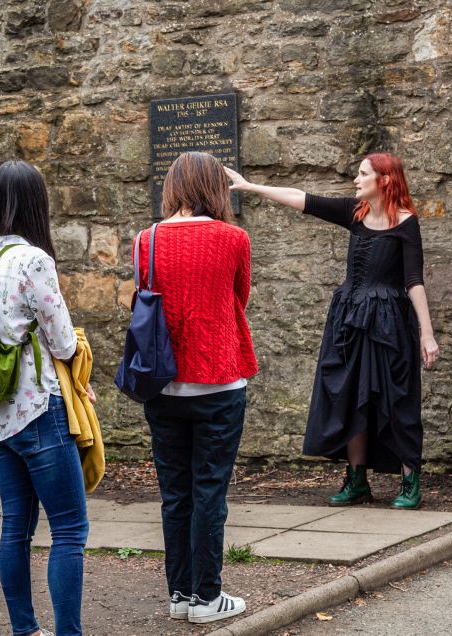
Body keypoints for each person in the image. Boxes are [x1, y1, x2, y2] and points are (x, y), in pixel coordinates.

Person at [225, 153, 439, 509]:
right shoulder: (354, 213)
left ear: (384, 179)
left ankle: (409, 480)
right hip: (349, 319)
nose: (356, 180)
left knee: (395, 398)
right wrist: (249, 186)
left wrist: (426, 334)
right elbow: (302, 199)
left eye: (362, 174)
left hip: (388, 324)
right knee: (348, 394)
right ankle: (357, 481)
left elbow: (414, 281)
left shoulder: (406, 223)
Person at [134, 152, 258, 624]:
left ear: (172, 187)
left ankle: (180, 594)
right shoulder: (234, 239)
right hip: (220, 383)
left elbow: (143, 300)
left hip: (162, 384)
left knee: (175, 493)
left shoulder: (145, 240)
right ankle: (208, 596)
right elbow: (239, 299)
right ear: (214, 188)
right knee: (210, 490)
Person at [0, 160, 89, 636]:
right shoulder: (34, 260)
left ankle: (25, 630)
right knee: (69, 531)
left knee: (14, 528)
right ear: (37, 204)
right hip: (38, 410)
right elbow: (62, 343)